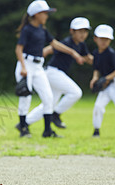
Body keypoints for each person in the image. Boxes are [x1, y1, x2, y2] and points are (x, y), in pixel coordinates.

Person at [15, 0, 85, 138]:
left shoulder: (43, 30)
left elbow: (54, 44)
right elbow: (18, 49)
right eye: (45, 13)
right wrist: (23, 67)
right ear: (36, 14)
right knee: (26, 98)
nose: (47, 15)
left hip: (38, 67)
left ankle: (47, 131)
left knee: (48, 97)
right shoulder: (27, 29)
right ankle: (23, 129)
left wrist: (72, 52)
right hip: (26, 64)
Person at [25, 17, 93, 130]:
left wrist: (103, 62)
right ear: (72, 31)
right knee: (76, 92)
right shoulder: (67, 42)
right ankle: (55, 115)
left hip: (57, 75)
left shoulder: (81, 45)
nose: (83, 34)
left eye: (85, 31)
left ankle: (25, 123)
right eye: (80, 31)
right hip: (52, 72)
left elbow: (88, 58)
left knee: (48, 104)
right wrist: (34, 63)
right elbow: (47, 50)